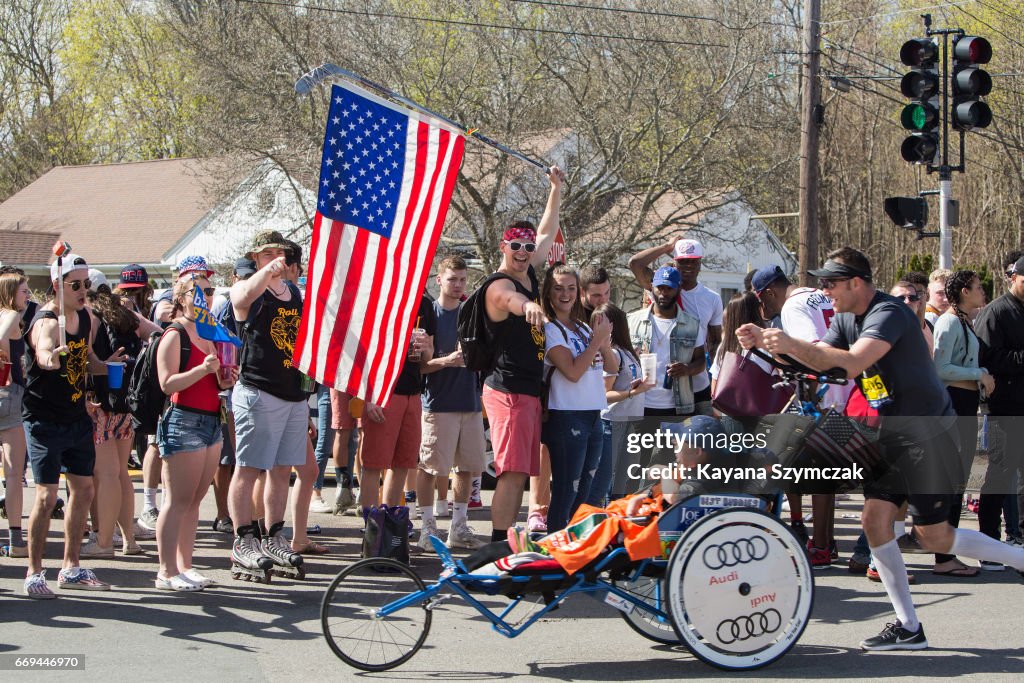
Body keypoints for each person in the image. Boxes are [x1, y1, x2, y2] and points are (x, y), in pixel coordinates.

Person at [738, 246, 1024, 652]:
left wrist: (788, 342)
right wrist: (771, 347)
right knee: (875, 522)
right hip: (891, 437)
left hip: (929, 435)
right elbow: (825, 365)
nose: (825, 291)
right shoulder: (846, 318)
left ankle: (1019, 558)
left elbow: (852, 364)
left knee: (935, 538)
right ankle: (909, 627)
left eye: (831, 283)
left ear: (855, 282)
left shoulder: (889, 314)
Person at [23, 254, 126, 597]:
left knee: (84, 490)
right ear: (57, 286)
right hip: (44, 420)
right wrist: (52, 357)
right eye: (76, 285)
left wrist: (106, 365)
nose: (85, 290)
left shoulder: (86, 317)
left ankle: (71, 566)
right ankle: (34, 572)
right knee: (46, 496)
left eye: (87, 284)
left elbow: (88, 362)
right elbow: (44, 354)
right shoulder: (47, 322)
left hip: (76, 416)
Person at [481, 166, 565, 542]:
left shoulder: (529, 270)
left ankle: (508, 538)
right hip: (508, 389)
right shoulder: (499, 284)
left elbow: (547, 230)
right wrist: (527, 307)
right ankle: (498, 543)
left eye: (528, 248)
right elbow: (509, 300)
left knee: (522, 471)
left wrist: (555, 189)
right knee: (511, 471)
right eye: (516, 246)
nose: (523, 252)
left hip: (528, 390)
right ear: (503, 247)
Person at [227, 231, 309, 579]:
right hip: (260, 390)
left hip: (293, 393)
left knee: (281, 469)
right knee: (249, 468)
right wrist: (267, 272)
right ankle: (243, 538)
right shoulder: (248, 288)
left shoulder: (292, 292)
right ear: (256, 258)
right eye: (267, 253)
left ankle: (274, 533)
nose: (276, 258)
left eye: (280, 253)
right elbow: (242, 297)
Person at [751, 264, 845, 568]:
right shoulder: (820, 296)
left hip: (823, 397)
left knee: (819, 473)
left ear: (769, 292)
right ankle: (827, 543)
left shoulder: (792, 306)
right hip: (846, 391)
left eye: (762, 301)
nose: (764, 308)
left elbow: (813, 351)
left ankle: (819, 545)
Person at [154, 274, 237, 590]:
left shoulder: (211, 333)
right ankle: (166, 570)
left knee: (195, 500)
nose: (205, 297)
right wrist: (203, 369)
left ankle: (184, 565)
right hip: (183, 420)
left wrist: (225, 378)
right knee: (176, 500)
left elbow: (216, 380)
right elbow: (167, 383)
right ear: (181, 297)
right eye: (198, 292)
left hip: (211, 419)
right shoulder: (175, 334)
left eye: (209, 291)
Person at [416, 255, 488, 550]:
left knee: (466, 468)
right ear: (439, 280)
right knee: (430, 468)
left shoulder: (472, 312)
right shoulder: (429, 314)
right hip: (437, 404)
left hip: (469, 403)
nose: (458, 285)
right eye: (452, 279)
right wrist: (446, 360)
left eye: (462, 279)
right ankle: (427, 527)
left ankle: (458, 527)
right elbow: (420, 366)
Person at [541, 264, 616, 530]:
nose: (565, 294)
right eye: (558, 288)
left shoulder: (583, 327)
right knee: (566, 489)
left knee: (585, 491)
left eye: (571, 288)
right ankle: (555, 546)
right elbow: (572, 372)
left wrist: (603, 343)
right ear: (548, 292)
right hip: (566, 415)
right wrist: (597, 342)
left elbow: (612, 368)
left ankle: (573, 548)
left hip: (594, 414)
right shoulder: (550, 328)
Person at [80, 285, 152, 558]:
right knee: (121, 473)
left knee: (107, 474)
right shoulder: (126, 316)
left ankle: (104, 542)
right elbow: (156, 331)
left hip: (100, 404)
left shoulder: (91, 317)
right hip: (126, 404)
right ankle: (129, 538)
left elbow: (85, 357)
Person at [931, 269, 993, 577]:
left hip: (966, 406)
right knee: (951, 483)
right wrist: (978, 374)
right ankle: (943, 558)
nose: (983, 292)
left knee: (957, 482)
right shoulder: (950, 321)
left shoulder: (964, 321)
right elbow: (941, 368)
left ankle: (946, 554)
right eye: (979, 287)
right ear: (965, 292)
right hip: (953, 408)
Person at [356, 293, 435, 517]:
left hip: (413, 391)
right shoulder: (384, 292)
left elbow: (428, 354)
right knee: (374, 463)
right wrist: (371, 395)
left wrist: (424, 348)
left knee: (403, 462)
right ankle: (371, 525)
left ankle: (389, 519)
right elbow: (363, 350)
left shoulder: (424, 303)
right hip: (383, 392)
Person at [628, 237, 723, 414]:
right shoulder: (664, 287)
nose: (688, 267)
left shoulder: (712, 298)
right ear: (675, 262)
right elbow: (635, 263)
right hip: (668, 393)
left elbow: (716, 342)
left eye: (692, 262)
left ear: (700, 264)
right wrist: (667, 246)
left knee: (700, 438)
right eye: (682, 262)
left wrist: (716, 378)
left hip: (699, 384)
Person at [975, 252, 1024, 568]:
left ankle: (1017, 538)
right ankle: (989, 542)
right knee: (1001, 473)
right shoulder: (996, 313)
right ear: (1014, 278)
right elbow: (987, 360)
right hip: (1005, 406)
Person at [587, 303, 650, 504]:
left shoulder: (626, 351)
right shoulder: (611, 354)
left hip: (629, 422)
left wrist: (638, 385)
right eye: (595, 324)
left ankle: (615, 523)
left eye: (602, 323)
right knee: (605, 482)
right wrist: (632, 392)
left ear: (615, 325)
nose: (597, 329)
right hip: (612, 423)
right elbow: (603, 395)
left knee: (623, 483)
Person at [626, 266, 703, 417]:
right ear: (652, 287)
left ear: (679, 289)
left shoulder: (692, 324)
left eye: (669, 288)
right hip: (639, 404)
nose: (663, 293)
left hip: (678, 407)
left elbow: (701, 361)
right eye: (660, 288)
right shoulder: (633, 321)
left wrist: (687, 369)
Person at [0, 272, 31, 557]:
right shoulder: (9, 315)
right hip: (10, 396)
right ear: (10, 293)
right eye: (24, 290)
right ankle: (16, 540)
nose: (29, 294)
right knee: (13, 473)